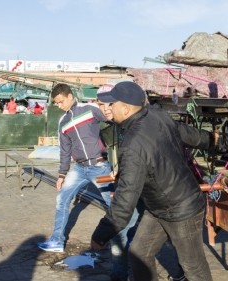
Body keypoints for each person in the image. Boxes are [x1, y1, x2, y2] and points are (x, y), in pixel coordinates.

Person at [90, 81, 216, 281]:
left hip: (182, 208)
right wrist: (211, 139)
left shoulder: (133, 143)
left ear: (126, 107)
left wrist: (101, 235)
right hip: (159, 206)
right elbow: (189, 134)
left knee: (193, 267)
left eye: (111, 104)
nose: (108, 108)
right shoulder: (157, 115)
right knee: (140, 253)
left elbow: (125, 200)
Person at [37, 83, 133, 281]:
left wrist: (117, 160)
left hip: (100, 167)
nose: (59, 106)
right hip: (79, 168)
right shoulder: (63, 122)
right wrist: (62, 174)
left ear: (70, 96)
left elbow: (112, 126)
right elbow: (65, 150)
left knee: (113, 206)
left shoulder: (90, 111)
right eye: (56, 103)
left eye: (61, 101)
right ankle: (57, 240)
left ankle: (124, 243)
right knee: (61, 199)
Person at [95, 84, 139, 281]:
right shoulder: (108, 129)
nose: (106, 108)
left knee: (120, 234)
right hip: (126, 186)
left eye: (110, 103)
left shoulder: (134, 126)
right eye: (101, 104)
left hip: (139, 189)